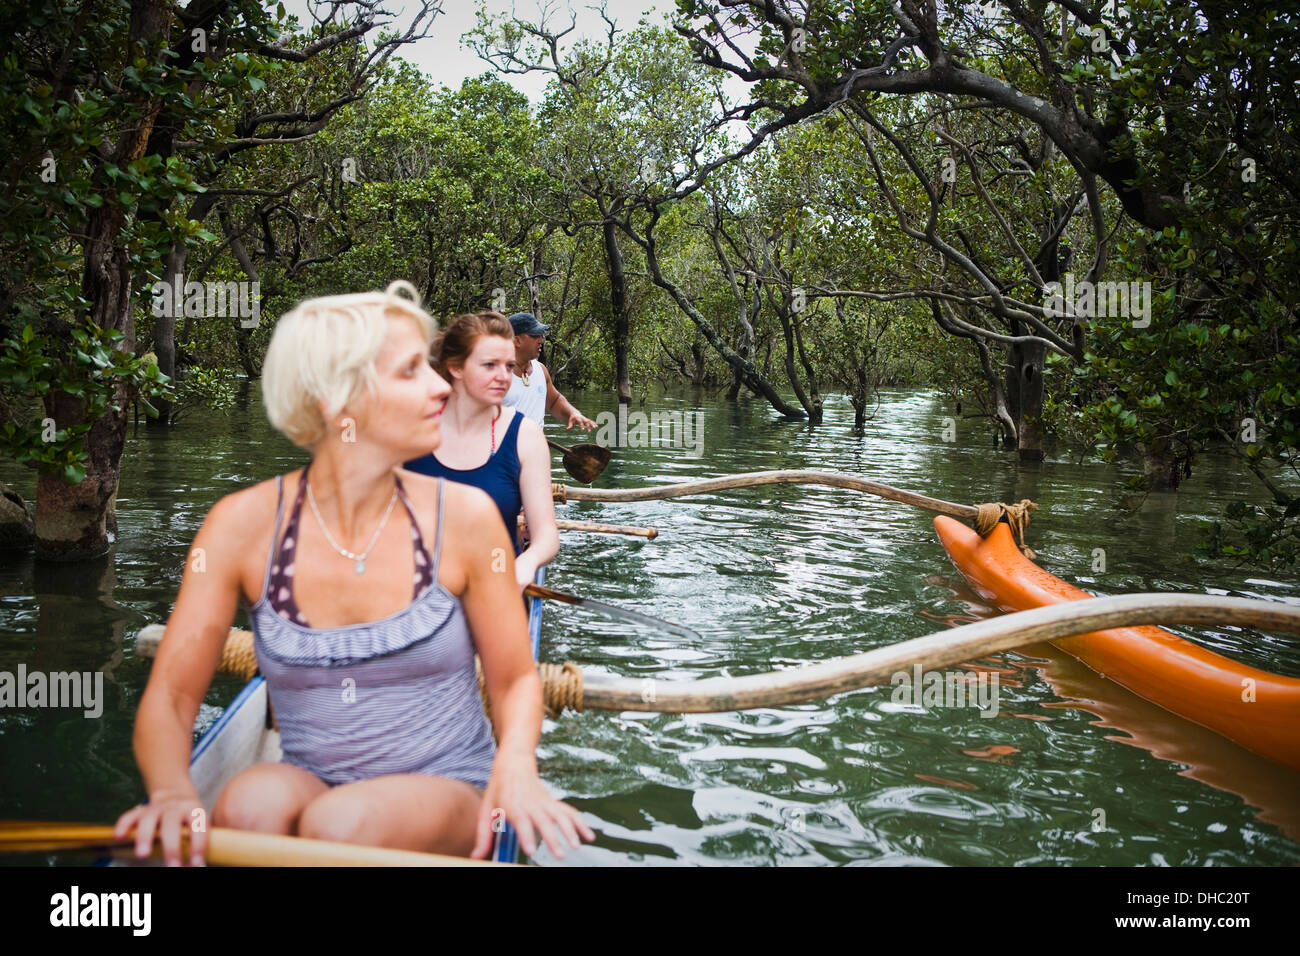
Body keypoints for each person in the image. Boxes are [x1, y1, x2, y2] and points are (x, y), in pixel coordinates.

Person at [114, 281, 593, 865]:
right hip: (310, 772)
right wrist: (170, 794)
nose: (438, 386)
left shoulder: (467, 521)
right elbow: (169, 694)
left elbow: (515, 681)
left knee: (338, 826)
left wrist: (516, 764)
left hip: (447, 783)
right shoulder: (238, 526)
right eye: (410, 370)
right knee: (245, 807)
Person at [403, 311, 558, 589]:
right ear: (457, 368)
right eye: (489, 365)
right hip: (416, 588)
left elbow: (546, 535)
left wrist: (527, 562)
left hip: (495, 589)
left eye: (509, 367)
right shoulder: (410, 430)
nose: (503, 377)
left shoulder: (526, 436)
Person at [505, 312, 596, 430]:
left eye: (542, 336)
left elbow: (554, 401)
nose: (542, 340)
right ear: (516, 341)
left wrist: (573, 413)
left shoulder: (541, 370)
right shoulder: (497, 374)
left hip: (535, 446)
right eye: (535, 335)